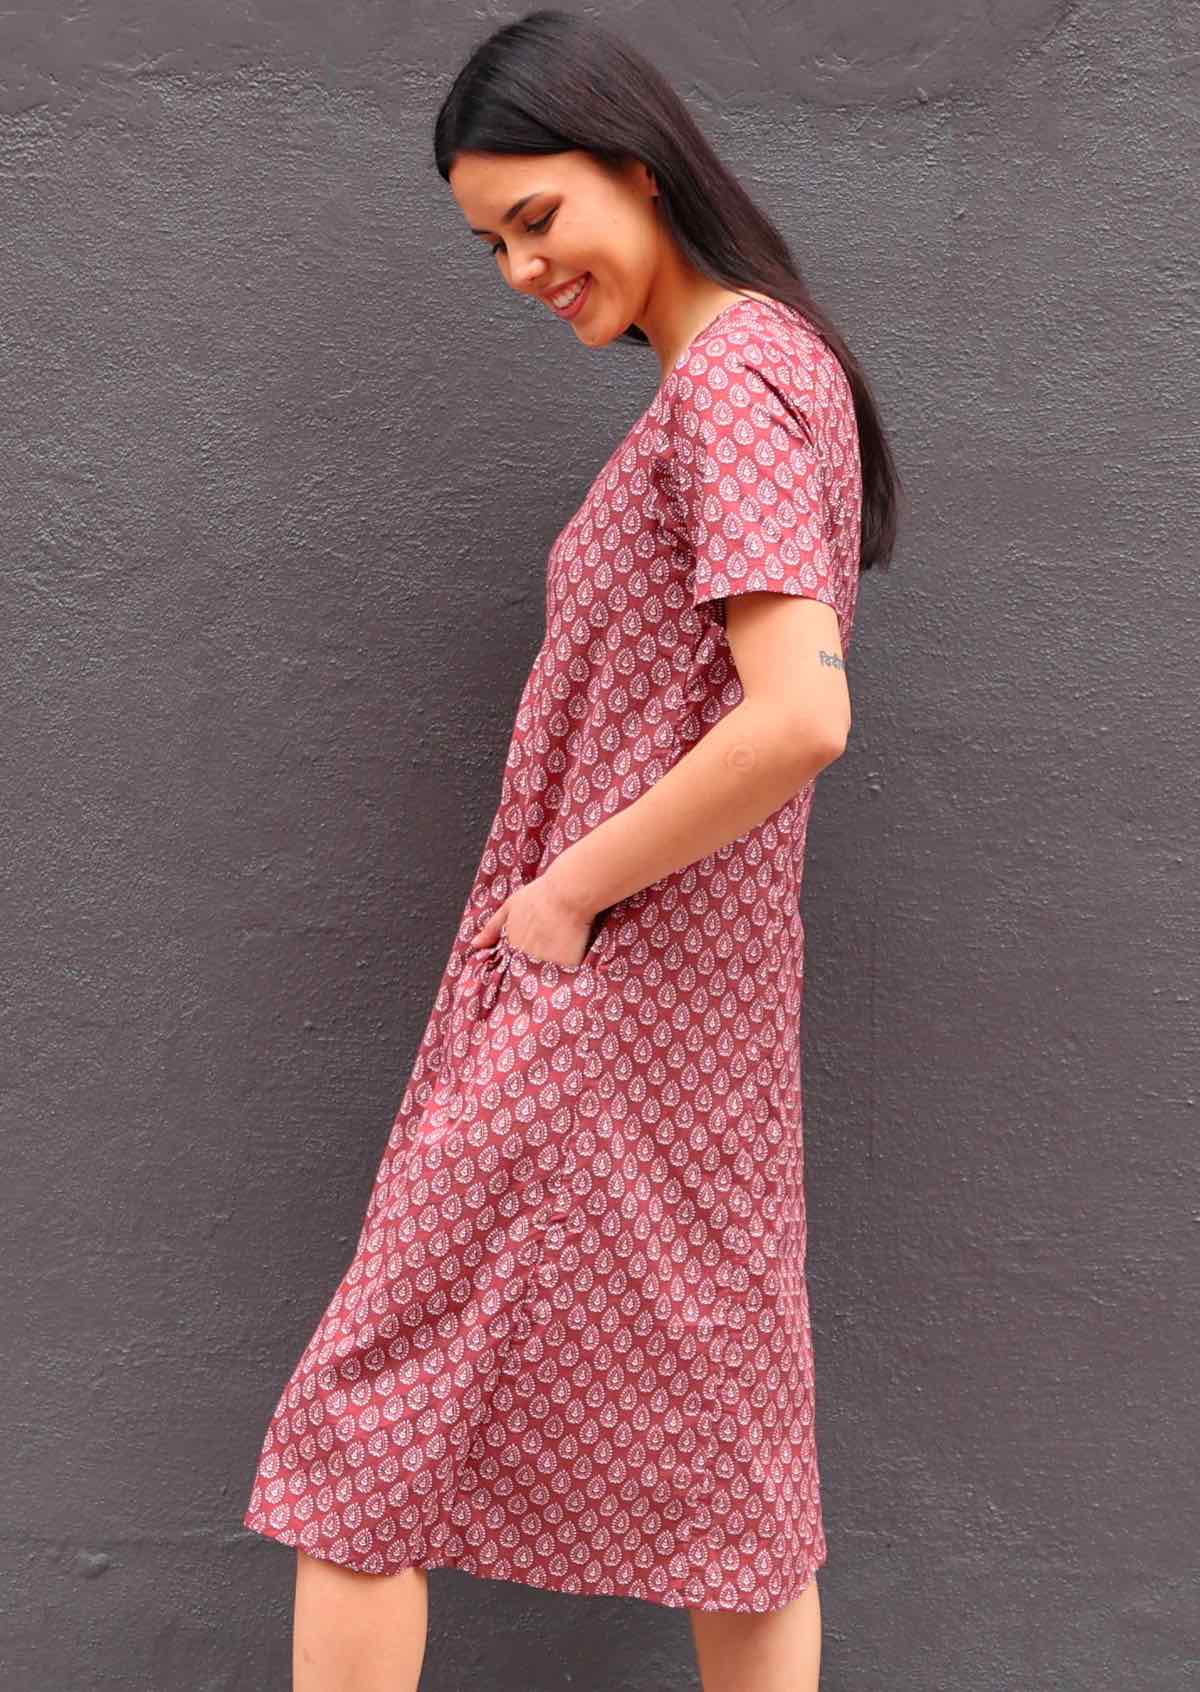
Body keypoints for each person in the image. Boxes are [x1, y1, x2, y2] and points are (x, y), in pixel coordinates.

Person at [242, 10, 901, 1690]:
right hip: (696, 1024)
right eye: (492, 245)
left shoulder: (737, 377)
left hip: (603, 1001)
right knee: (735, 1461)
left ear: (638, 159)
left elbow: (800, 713)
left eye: (538, 218)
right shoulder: (762, 369)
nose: (524, 268)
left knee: (362, 1439)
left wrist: (562, 893)